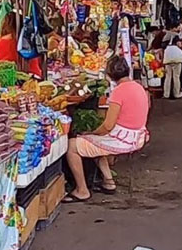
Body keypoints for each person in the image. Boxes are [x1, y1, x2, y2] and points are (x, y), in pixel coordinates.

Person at [63, 56, 150, 203]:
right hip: (138, 135)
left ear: (110, 74)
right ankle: (108, 181)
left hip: (122, 138)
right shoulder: (138, 87)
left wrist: (91, 133)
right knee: (94, 142)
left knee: (72, 146)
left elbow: (107, 126)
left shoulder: (119, 92)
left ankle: (82, 190)